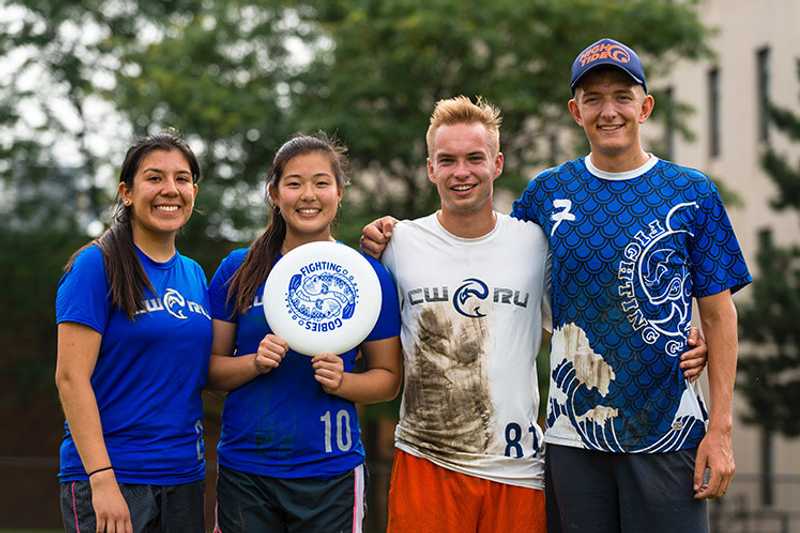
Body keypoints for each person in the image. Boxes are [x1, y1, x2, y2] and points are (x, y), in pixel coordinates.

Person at [360, 96, 709, 533]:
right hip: (428, 458)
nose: (461, 172)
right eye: (446, 160)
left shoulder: (534, 243)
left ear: (498, 163)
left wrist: (687, 336)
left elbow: (596, 308)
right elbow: (363, 335)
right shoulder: (396, 245)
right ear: (430, 168)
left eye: (475, 158)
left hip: (518, 469)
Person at [510, 38, 751, 533]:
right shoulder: (546, 193)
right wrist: (397, 234)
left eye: (622, 96)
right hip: (572, 434)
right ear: (575, 111)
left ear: (645, 106)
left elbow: (719, 314)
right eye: (593, 99)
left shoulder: (692, 193)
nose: (609, 111)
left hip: (669, 429)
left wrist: (721, 431)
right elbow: (495, 266)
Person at [207, 133, 403, 532]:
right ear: (274, 194)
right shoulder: (237, 269)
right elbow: (209, 372)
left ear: (339, 192)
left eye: (321, 183)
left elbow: (388, 380)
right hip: (247, 470)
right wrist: (254, 363)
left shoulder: (367, 275)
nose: (308, 195)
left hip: (330, 472)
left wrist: (343, 381)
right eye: (294, 183)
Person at [55, 132, 210, 533]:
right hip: (113, 478)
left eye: (181, 179)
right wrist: (102, 479)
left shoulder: (194, 274)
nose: (169, 190)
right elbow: (71, 378)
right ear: (127, 192)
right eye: (154, 178)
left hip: (183, 476)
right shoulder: (95, 265)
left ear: (194, 190)